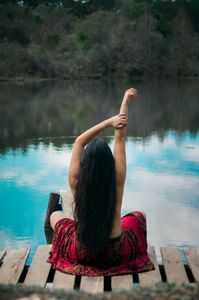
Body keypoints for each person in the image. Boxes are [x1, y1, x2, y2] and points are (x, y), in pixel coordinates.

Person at [48, 88, 154, 275]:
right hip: (117, 252)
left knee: (55, 216)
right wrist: (125, 101)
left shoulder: (76, 181)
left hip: (82, 252)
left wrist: (106, 123)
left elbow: (79, 142)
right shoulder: (117, 179)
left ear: (85, 164)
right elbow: (120, 137)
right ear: (109, 162)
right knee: (139, 216)